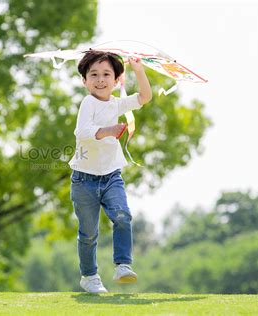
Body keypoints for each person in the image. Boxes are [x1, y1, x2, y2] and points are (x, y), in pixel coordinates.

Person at [68, 50, 152, 293]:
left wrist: (138, 69)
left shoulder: (116, 103)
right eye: (93, 74)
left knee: (123, 216)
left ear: (116, 80)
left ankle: (123, 265)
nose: (100, 79)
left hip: (111, 176)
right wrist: (109, 130)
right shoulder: (88, 102)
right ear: (84, 81)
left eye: (106, 74)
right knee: (88, 233)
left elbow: (145, 96)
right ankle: (89, 276)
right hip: (83, 179)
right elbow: (82, 133)